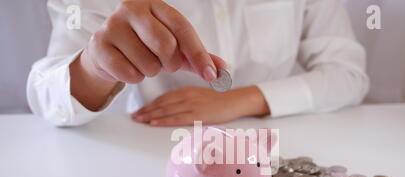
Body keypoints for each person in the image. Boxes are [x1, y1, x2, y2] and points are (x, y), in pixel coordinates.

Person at [27, 0, 369, 127]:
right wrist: (93, 67)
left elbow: (348, 75)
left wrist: (241, 99)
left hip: (281, 148)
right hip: (154, 148)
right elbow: (48, 100)